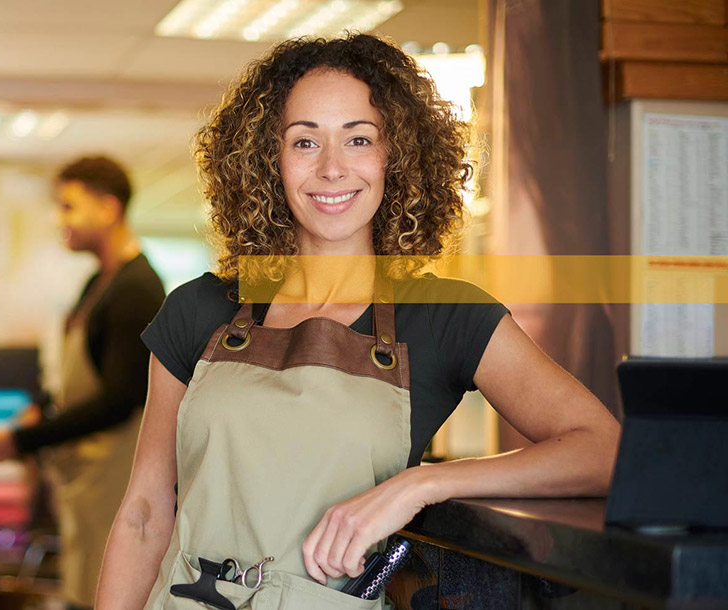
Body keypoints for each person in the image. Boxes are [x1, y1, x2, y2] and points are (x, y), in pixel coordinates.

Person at [94, 34, 622, 610]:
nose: (331, 168)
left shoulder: (447, 317)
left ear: (396, 156)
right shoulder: (198, 309)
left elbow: (603, 450)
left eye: (359, 139)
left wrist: (422, 485)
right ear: (267, 161)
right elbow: (145, 514)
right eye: (304, 141)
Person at [0, 156, 166, 610]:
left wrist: (24, 438)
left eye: (69, 207)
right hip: (87, 478)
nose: (60, 220)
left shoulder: (137, 291)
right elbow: (74, 374)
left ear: (109, 209)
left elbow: (119, 398)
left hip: (116, 478)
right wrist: (41, 407)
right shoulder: (100, 282)